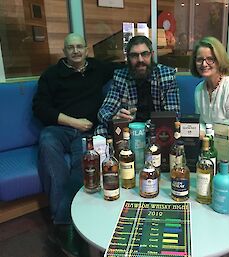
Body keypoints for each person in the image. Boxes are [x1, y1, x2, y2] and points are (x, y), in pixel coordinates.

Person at [32, 33, 118, 256]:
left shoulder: (99, 68)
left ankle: (61, 224)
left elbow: (128, 67)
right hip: (59, 128)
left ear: (87, 49)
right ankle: (66, 222)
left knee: (85, 164)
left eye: (80, 46)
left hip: (87, 133)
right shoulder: (51, 75)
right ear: (64, 51)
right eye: (71, 47)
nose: (76, 51)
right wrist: (73, 122)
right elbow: (40, 108)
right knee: (47, 144)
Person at [95, 35, 180, 136]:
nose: (140, 60)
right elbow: (104, 111)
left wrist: (144, 128)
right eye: (134, 55)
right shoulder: (120, 76)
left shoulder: (167, 75)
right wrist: (113, 118)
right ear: (128, 58)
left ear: (152, 55)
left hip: (157, 130)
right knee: (101, 129)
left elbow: (173, 115)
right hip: (127, 130)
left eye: (144, 54)